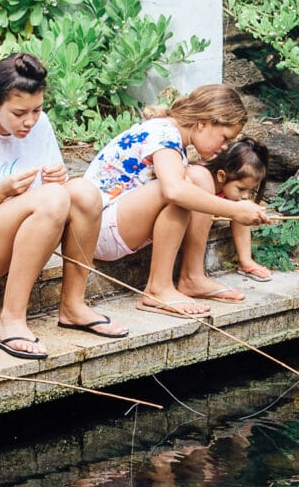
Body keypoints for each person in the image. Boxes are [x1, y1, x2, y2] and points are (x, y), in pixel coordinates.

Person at [0, 52, 126, 362]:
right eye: (20, 112)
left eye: (37, 109)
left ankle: (73, 306)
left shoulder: (39, 125)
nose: (30, 121)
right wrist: (1, 193)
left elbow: (56, 197)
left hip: (27, 232)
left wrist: (58, 179)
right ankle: (11, 320)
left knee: (85, 193)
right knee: (55, 198)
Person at [59, 84, 274, 322]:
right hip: (97, 231)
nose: (225, 147)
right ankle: (157, 289)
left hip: (121, 222)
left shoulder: (174, 138)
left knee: (200, 178)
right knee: (180, 187)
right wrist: (234, 210)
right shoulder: (163, 135)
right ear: (203, 123)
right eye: (225, 137)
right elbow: (173, 191)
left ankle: (192, 277)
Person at [191, 138, 277, 285]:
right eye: (242, 189)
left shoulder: (232, 193)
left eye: (250, 190)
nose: (245, 195)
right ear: (221, 176)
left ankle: (245, 260)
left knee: (242, 207)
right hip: (190, 221)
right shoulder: (202, 179)